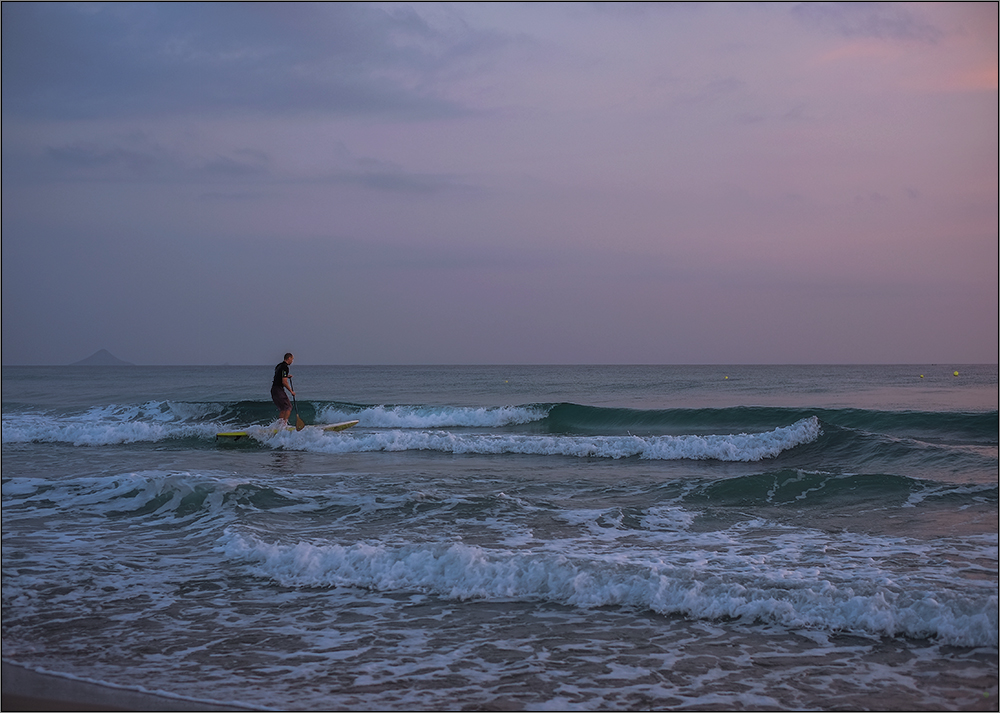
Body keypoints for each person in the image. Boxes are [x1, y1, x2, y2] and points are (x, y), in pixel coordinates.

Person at [271, 353, 295, 424]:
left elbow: (278, 376)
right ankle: (284, 425)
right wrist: (291, 391)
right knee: (288, 407)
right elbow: (284, 382)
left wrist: (287, 376)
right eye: (292, 359)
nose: (292, 361)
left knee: (283, 408)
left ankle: (279, 426)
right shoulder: (285, 367)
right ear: (289, 358)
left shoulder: (279, 366)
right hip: (278, 389)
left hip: (274, 389)